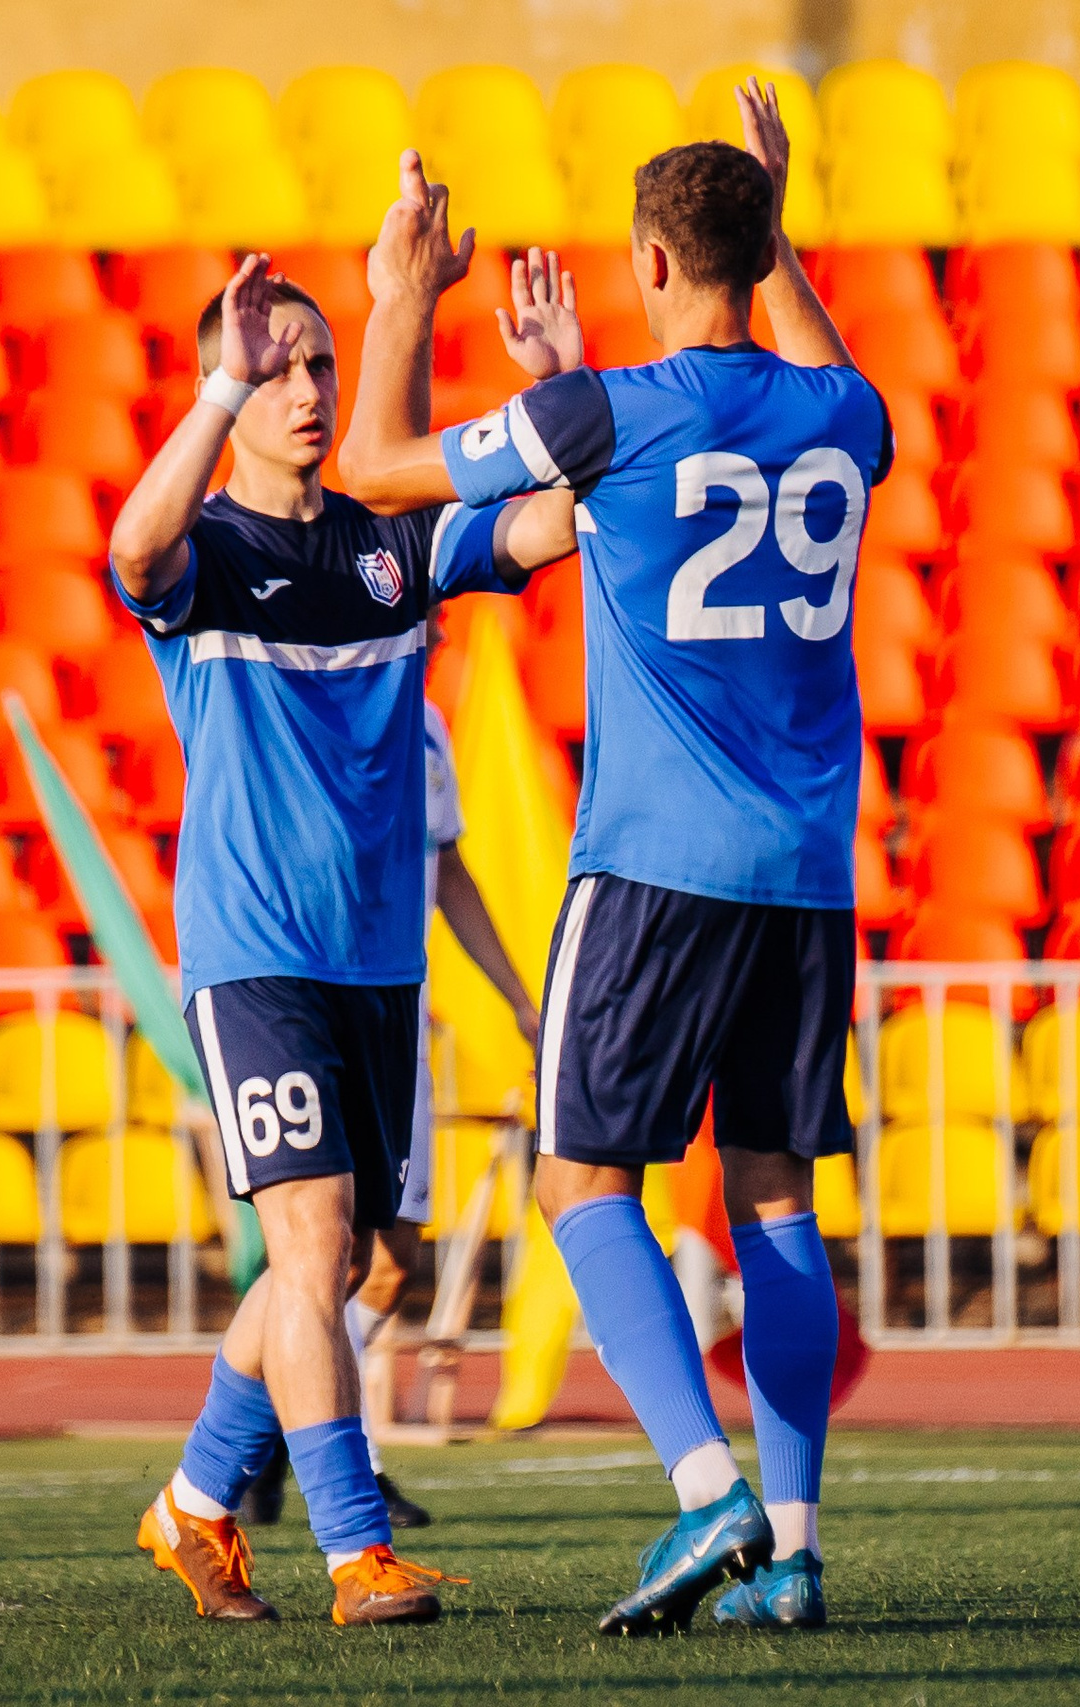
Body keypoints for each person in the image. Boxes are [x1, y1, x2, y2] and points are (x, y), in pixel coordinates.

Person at [343, 82, 889, 1634]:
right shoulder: (849, 416)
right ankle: (790, 1546)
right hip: (807, 871)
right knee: (776, 1197)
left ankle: (703, 1486)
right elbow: (818, 362)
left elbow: (378, 467)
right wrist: (775, 227)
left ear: (651, 262)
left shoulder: (611, 410)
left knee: (584, 1177)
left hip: (656, 862)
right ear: (767, 248)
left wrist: (401, 297)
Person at [109, 253, 576, 1626]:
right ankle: (357, 1551)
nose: (309, 387)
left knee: (340, 1261)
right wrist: (216, 392)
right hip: (255, 960)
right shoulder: (208, 562)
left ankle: (194, 1501)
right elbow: (133, 549)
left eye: (321, 362)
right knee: (312, 1248)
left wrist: (560, 392)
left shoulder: (390, 551)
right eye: (281, 365)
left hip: (380, 971)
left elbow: (550, 528)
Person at [244, 688, 544, 1531]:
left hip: (399, 1012)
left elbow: (446, 868)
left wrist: (518, 997)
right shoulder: (318, 700)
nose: (435, 627)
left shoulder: (431, 727)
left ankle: (274, 1421)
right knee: (321, 1243)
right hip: (314, 1004)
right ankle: (341, 1458)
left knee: (388, 1259)